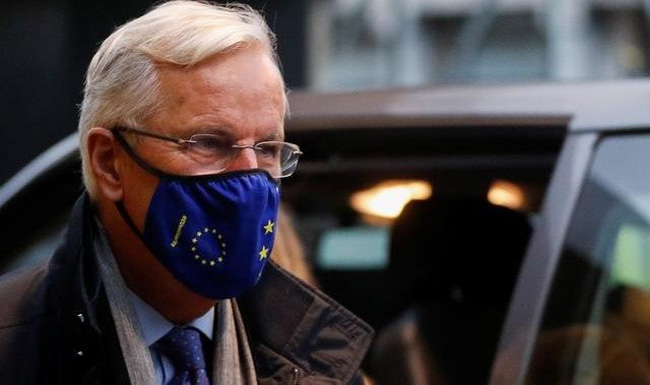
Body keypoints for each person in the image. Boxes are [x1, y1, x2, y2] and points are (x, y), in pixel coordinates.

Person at [0, 2, 373, 384]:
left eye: (267, 149)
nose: (249, 176)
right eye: (210, 143)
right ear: (110, 162)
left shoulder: (319, 364)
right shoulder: (15, 348)